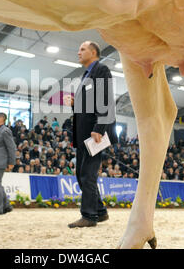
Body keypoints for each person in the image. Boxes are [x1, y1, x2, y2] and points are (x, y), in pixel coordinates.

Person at [64, 41, 118, 228]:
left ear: (93, 52)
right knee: (81, 174)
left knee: (88, 174)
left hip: (95, 133)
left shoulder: (101, 70)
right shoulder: (85, 75)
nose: (78, 52)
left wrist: (99, 128)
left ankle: (89, 216)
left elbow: (105, 101)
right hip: (84, 134)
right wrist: (75, 104)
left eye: (82, 49)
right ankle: (100, 211)